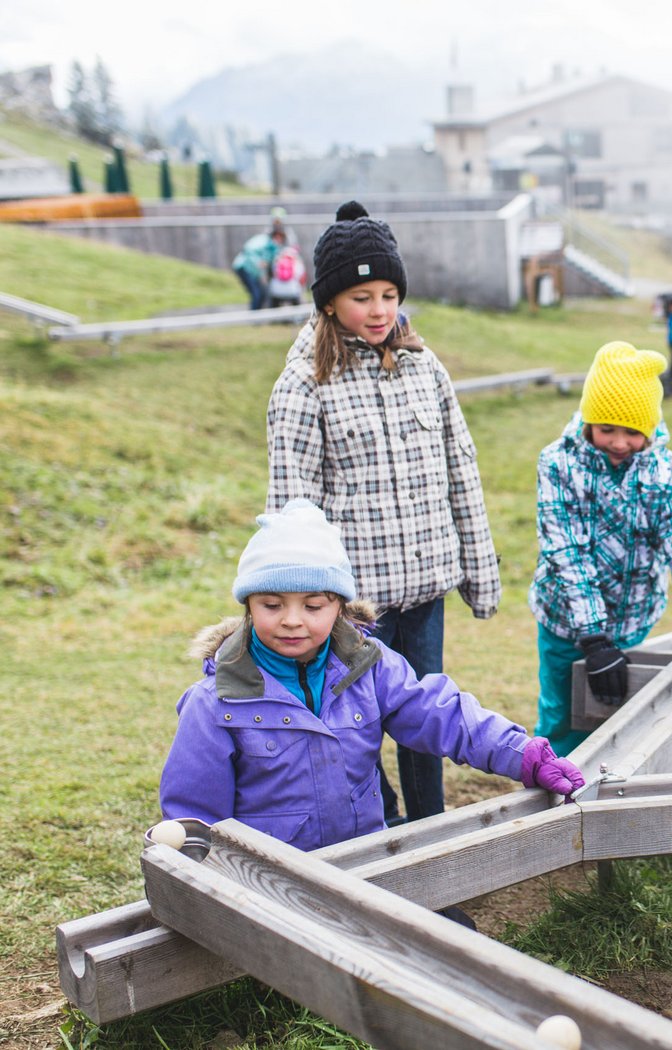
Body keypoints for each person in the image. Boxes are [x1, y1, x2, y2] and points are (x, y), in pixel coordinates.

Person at [158, 499, 584, 855]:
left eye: (313, 606)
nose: (292, 620)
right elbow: (194, 816)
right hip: (270, 885)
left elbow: (441, 715)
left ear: (340, 607)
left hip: (366, 865)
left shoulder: (371, 667)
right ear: (248, 607)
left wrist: (522, 754)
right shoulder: (215, 703)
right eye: (272, 605)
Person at [266, 200, 501, 826]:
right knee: (356, 724)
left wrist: (480, 574)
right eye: (362, 297)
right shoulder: (303, 384)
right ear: (329, 302)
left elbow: (462, 471)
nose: (379, 311)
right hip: (356, 605)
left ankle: (431, 827)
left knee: (426, 717)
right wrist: (300, 602)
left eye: (390, 295)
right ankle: (381, 826)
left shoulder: (426, 369)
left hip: (425, 591)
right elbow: (292, 506)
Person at [529, 341, 672, 755]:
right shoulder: (558, 464)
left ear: (649, 429)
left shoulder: (667, 474)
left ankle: (616, 788)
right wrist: (594, 639)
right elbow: (567, 553)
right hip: (566, 622)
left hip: (634, 620)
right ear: (588, 421)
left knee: (628, 720)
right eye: (607, 429)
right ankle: (554, 779)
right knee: (564, 716)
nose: (619, 442)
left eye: (632, 432)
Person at [232, 229, 284, 311]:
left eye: (281, 238)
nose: (279, 240)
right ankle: (253, 316)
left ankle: (257, 314)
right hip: (244, 267)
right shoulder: (264, 241)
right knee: (257, 294)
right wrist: (258, 262)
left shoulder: (274, 248)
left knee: (262, 295)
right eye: (277, 237)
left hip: (254, 272)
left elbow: (268, 262)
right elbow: (248, 249)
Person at [265, 243, 307, 308]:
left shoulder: (277, 262)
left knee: (273, 305)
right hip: (293, 291)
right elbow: (301, 278)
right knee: (297, 306)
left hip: (276, 291)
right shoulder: (297, 263)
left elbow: (272, 275)